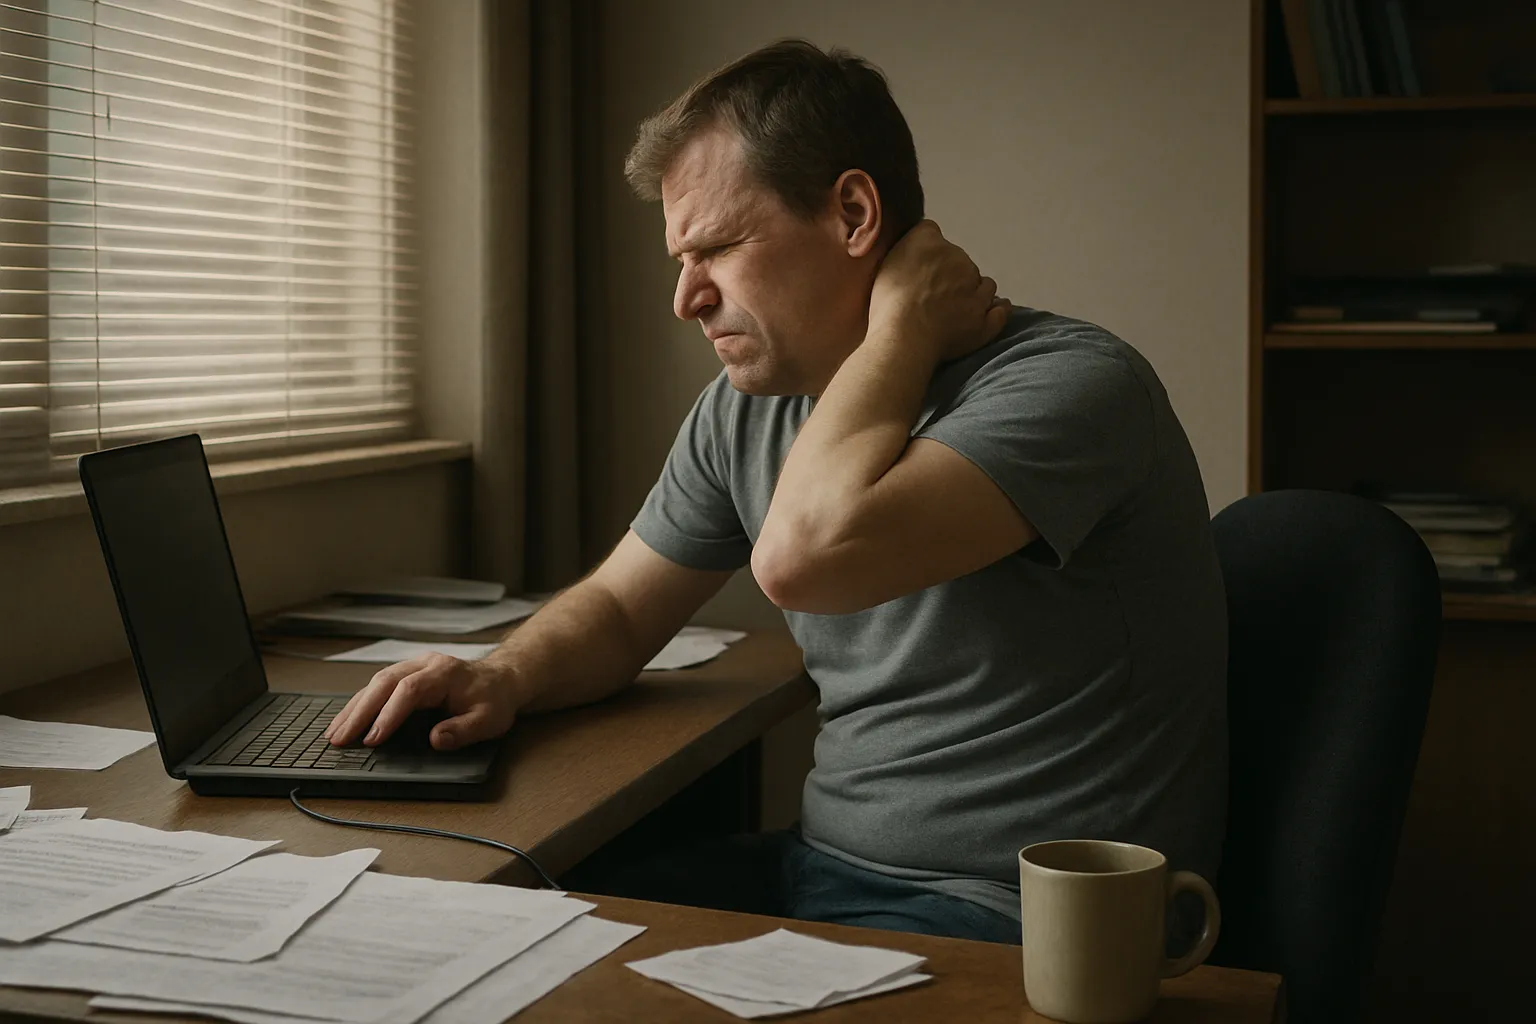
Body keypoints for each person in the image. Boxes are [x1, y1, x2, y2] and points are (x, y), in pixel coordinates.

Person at [324, 39, 1227, 945]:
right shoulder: (745, 411)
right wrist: (500, 675)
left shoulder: (1072, 386)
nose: (687, 298)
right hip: (823, 869)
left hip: (1018, 919)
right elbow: (620, 607)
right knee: (483, 933)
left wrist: (901, 328)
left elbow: (807, 558)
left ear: (853, 213)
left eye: (716, 247)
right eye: (682, 259)